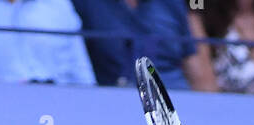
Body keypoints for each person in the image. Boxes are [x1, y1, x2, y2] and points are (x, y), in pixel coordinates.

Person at [72, 0, 208, 89]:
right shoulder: (85, 4)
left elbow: (201, 76)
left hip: (178, 105)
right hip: (117, 104)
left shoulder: (174, 4)